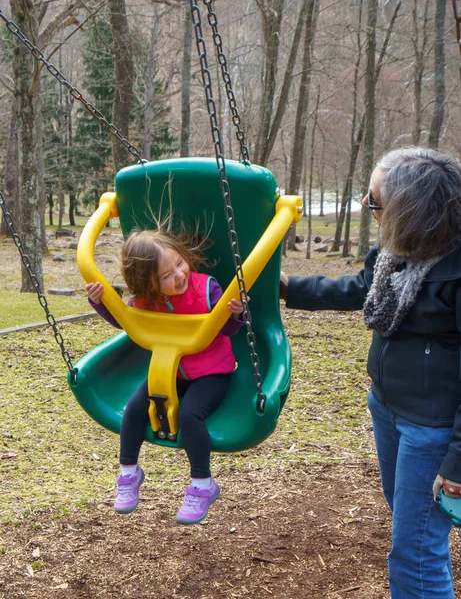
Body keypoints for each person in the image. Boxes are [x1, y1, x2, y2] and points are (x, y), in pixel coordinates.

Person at [280, 147, 461, 598]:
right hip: (388, 407)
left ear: (413, 211)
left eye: (376, 202)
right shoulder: (398, 253)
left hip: (432, 430)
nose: (369, 209)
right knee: (410, 524)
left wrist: (457, 462)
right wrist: (287, 288)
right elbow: (361, 290)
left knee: (416, 554)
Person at [86, 227, 245, 525]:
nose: (179, 275)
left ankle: (202, 483)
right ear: (147, 283)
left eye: (179, 264)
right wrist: (101, 303)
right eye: (166, 275)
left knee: (190, 415)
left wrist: (235, 315)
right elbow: (125, 322)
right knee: (134, 410)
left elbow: (225, 329)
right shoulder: (145, 300)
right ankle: (129, 472)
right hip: (171, 372)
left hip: (212, 372)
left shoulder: (207, 288)